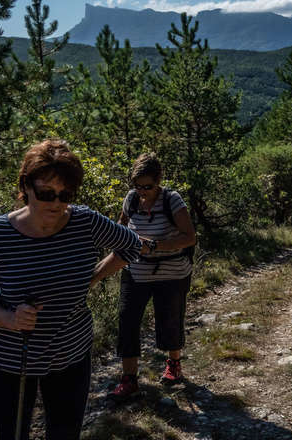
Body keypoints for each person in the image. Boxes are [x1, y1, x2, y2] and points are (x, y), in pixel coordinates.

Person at [0, 139, 150, 440]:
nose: (56, 203)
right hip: (9, 361)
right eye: (45, 193)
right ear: (26, 187)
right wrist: (11, 319)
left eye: (65, 195)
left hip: (70, 356)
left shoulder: (85, 222)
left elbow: (131, 246)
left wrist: (90, 279)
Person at [108, 152, 197, 401]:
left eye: (147, 186)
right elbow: (120, 228)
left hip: (171, 273)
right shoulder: (131, 199)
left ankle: (173, 363)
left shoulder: (172, 200)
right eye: (137, 186)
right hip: (135, 271)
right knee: (127, 321)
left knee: (170, 319)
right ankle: (129, 379)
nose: (142, 191)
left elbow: (189, 237)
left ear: (159, 181)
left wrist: (154, 245)